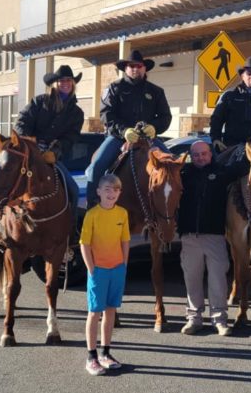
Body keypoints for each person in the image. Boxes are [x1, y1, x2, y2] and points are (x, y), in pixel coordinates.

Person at [86, 50, 172, 207]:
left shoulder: (156, 91)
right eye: (131, 66)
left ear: (145, 68)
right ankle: (92, 207)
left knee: (172, 165)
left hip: (149, 139)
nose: (135, 69)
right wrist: (124, 130)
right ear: (125, 68)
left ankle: (174, 213)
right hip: (118, 138)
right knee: (96, 168)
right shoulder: (114, 88)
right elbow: (106, 114)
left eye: (139, 66)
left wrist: (154, 127)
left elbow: (166, 117)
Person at [177, 140, 244, 336]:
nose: (200, 157)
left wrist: (248, 146)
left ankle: (219, 320)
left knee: (218, 280)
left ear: (210, 154)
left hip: (215, 236)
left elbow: (245, 166)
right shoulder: (183, 173)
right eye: (196, 154)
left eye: (204, 153)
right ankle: (194, 319)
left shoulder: (222, 172)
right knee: (192, 279)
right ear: (191, 156)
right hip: (189, 236)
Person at [14, 65, 84, 226]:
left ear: (73, 83)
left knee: (72, 189)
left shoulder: (77, 113)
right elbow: (22, 122)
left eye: (69, 80)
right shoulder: (39, 101)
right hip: (29, 152)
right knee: (6, 180)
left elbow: (71, 137)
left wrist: (56, 150)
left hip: (51, 156)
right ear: (55, 84)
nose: (65, 83)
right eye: (61, 81)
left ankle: (70, 229)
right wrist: (29, 143)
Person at [79, 174, 130, 376]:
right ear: (99, 191)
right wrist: (91, 268)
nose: (112, 193)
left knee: (111, 311)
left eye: (116, 190)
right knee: (94, 313)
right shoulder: (92, 214)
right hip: (98, 270)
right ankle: (91, 357)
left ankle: (105, 353)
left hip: (117, 268)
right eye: (107, 189)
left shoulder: (122, 213)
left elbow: (125, 240)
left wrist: (124, 264)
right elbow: (85, 243)